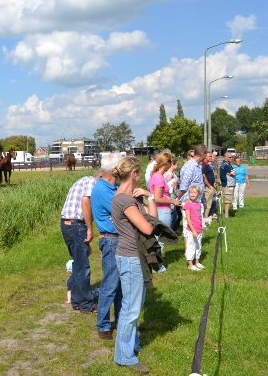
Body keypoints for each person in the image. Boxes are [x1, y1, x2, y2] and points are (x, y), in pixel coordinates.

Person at [112, 157, 157, 375]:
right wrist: (145, 201)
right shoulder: (123, 200)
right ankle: (124, 356)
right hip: (130, 258)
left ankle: (132, 344)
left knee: (135, 306)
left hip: (135, 257)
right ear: (135, 174)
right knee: (130, 309)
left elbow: (154, 221)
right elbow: (148, 229)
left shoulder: (132, 198)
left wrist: (150, 198)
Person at [91, 152, 123, 340]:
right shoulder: (103, 190)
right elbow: (124, 211)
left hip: (116, 238)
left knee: (119, 285)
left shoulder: (113, 187)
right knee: (110, 284)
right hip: (111, 239)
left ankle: (120, 321)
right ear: (114, 170)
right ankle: (103, 325)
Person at [60, 173, 99, 314]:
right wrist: (89, 228)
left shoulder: (82, 180)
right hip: (77, 225)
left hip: (66, 224)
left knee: (78, 262)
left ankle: (76, 300)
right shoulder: (91, 183)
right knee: (83, 265)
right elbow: (85, 202)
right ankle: (86, 304)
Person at [149, 152, 181, 272]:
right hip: (162, 211)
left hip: (158, 209)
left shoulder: (155, 176)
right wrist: (173, 201)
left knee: (156, 238)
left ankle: (154, 263)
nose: (171, 165)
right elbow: (158, 197)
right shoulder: (159, 178)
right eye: (170, 162)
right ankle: (157, 266)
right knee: (160, 239)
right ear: (166, 163)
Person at [183, 184, 205, 271]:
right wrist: (193, 230)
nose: (192, 194)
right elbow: (188, 219)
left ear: (198, 194)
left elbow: (200, 217)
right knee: (191, 246)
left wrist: (201, 229)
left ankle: (197, 262)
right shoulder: (188, 204)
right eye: (191, 192)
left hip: (199, 229)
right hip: (191, 230)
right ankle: (190, 264)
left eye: (194, 192)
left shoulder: (199, 204)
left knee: (198, 245)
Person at [219, 152, 237, 218]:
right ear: (225, 157)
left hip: (230, 184)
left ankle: (227, 213)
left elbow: (234, 172)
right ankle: (226, 214)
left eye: (232, 157)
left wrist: (231, 173)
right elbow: (234, 173)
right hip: (228, 185)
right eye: (230, 157)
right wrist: (232, 173)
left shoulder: (228, 164)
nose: (231, 158)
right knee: (228, 200)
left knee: (229, 199)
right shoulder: (225, 165)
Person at [202, 152, 217, 218]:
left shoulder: (208, 164)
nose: (211, 158)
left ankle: (207, 217)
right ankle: (205, 218)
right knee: (207, 204)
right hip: (208, 187)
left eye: (211, 156)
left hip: (211, 185)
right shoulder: (204, 165)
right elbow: (203, 176)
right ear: (205, 156)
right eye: (210, 156)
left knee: (210, 203)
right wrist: (209, 185)